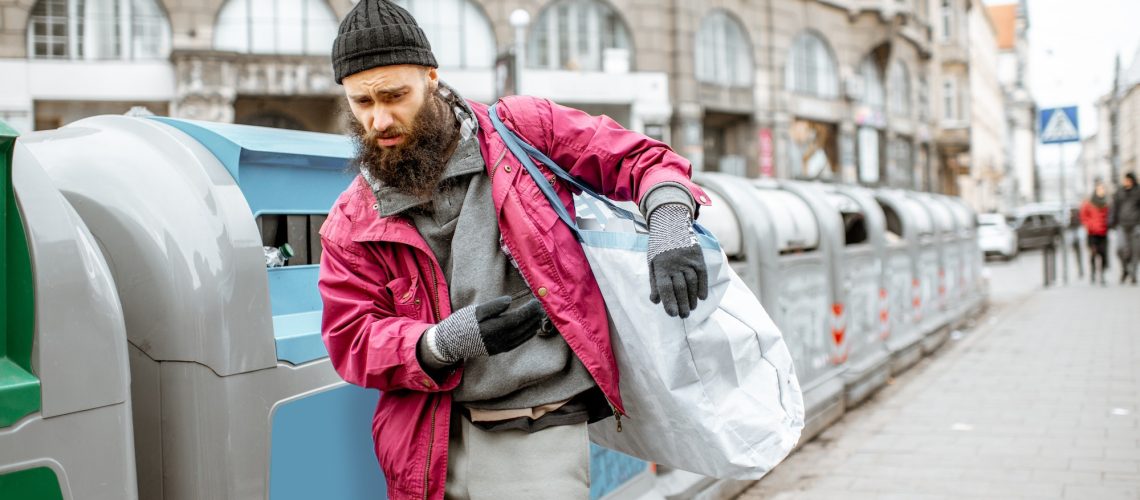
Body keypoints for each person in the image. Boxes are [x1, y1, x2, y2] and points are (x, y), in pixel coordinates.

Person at [317, 1, 712, 498]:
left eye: (395, 96)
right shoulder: (349, 221)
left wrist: (670, 223)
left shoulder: (524, 131)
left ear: (432, 77)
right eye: (362, 103)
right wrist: (440, 343)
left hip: (539, 423)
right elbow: (351, 340)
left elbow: (641, 158)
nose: (379, 120)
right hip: (425, 447)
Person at [1110, 172, 1140, 284]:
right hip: (1122, 225)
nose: (1125, 182)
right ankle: (1125, 269)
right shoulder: (1120, 192)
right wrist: (1112, 222)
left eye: (1127, 179)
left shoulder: (1138, 191)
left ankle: (1133, 275)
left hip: (1135, 226)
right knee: (1120, 249)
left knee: (1135, 251)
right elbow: (1114, 207)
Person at [1080, 182, 1110, 285]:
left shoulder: (1106, 203)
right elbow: (1083, 215)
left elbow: (1109, 216)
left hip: (1103, 232)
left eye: (1103, 189)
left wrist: (1108, 224)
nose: (1102, 191)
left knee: (1103, 254)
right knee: (1093, 254)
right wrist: (1088, 225)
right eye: (1100, 189)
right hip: (1092, 233)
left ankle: (1102, 275)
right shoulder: (1089, 203)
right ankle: (1092, 273)